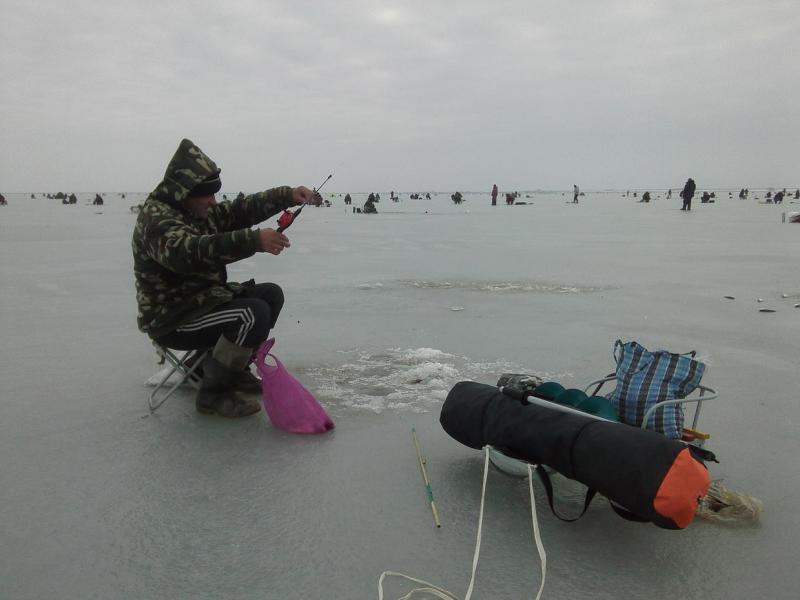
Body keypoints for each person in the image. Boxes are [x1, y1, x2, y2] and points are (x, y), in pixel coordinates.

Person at [132, 138, 320, 418]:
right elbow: (186, 254)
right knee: (251, 314)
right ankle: (213, 394)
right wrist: (253, 240)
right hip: (172, 317)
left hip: (202, 301)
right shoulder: (158, 220)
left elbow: (240, 210)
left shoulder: (196, 210)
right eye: (206, 195)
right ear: (185, 192)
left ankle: (222, 368)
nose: (213, 201)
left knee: (270, 295)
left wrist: (288, 195)